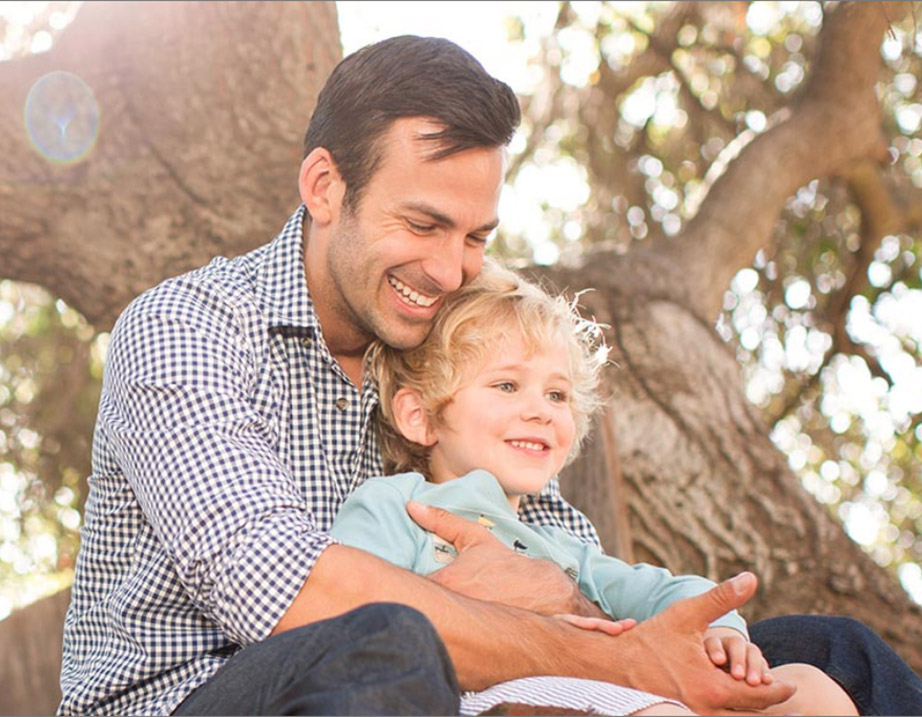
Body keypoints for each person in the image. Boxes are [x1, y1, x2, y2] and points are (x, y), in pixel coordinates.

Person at [58, 34, 922, 717]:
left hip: (466, 685)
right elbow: (280, 590)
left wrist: (679, 637)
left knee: (831, 653)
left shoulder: (461, 345)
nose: (449, 268)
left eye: (474, 236)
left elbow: (563, 573)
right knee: (390, 646)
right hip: (196, 699)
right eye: (424, 223)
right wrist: (596, 650)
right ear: (325, 185)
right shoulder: (192, 327)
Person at [330, 262, 859, 717]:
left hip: (609, 691)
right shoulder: (396, 504)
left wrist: (723, 632)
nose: (541, 410)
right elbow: (343, 616)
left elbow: (662, 592)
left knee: (811, 692)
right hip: (478, 695)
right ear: (420, 417)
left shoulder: (563, 549)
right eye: (507, 385)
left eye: (557, 394)